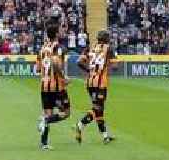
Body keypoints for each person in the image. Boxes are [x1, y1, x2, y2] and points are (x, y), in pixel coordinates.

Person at [75, 30, 116, 144]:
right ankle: (80, 124)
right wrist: (111, 63)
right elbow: (116, 66)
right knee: (97, 108)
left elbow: (79, 62)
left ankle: (105, 136)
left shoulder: (90, 48)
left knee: (99, 109)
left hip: (90, 82)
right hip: (100, 83)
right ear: (106, 38)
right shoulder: (109, 48)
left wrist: (89, 70)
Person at [36, 21, 71, 150]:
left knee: (48, 112)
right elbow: (56, 64)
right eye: (60, 30)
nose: (62, 32)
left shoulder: (42, 49)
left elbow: (38, 69)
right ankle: (45, 121)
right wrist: (64, 78)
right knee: (66, 113)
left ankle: (44, 143)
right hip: (57, 87)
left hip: (44, 85)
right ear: (56, 34)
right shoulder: (59, 48)